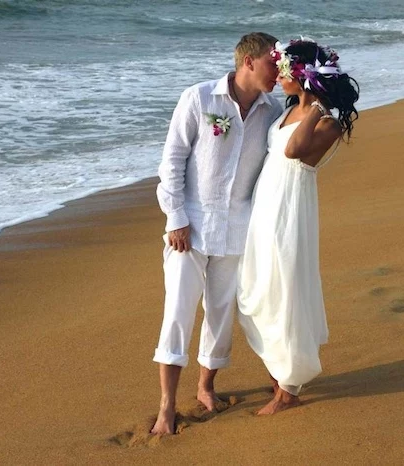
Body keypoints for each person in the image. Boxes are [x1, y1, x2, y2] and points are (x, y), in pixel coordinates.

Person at [151, 32, 284, 434]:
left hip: (238, 229)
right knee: (177, 313)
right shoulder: (199, 98)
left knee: (221, 314)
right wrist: (175, 217)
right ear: (248, 62)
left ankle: (206, 386)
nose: (277, 73)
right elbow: (171, 160)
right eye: (271, 64)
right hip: (189, 228)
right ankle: (165, 406)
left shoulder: (272, 110)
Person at [237, 39, 359, 415]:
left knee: (284, 291)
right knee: (257, 292)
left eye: (286, 69)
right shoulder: (283, 112)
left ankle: (288, 391)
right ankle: (279, 375)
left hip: (290, 211)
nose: (279, 74)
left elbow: (293, 151)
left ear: (305, 75)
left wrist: (317, 104)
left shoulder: (328, 123)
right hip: (265, 207)